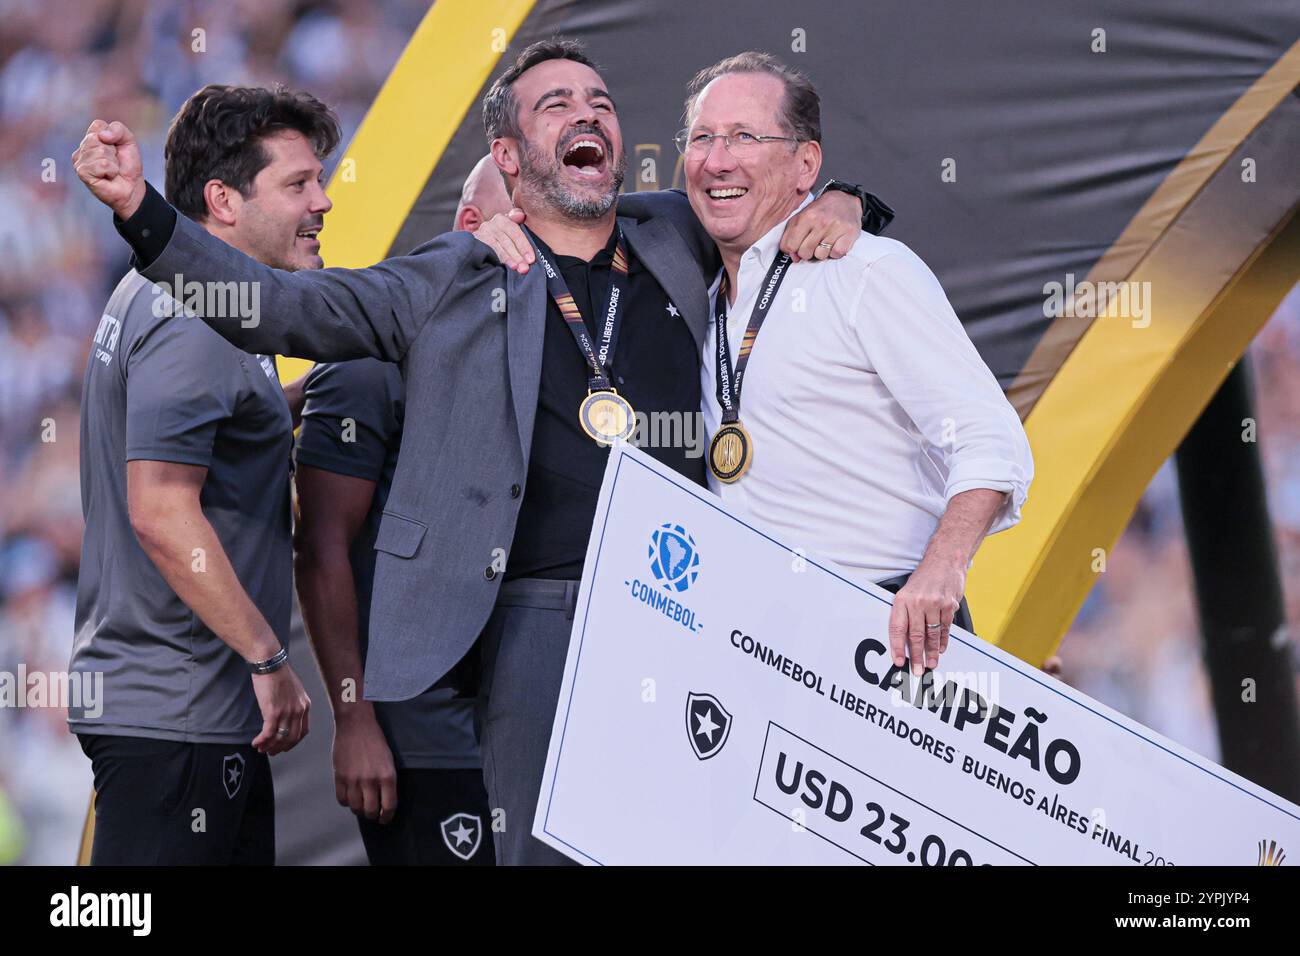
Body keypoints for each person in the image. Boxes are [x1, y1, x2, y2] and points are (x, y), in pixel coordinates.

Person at [71, 38, 872, 864]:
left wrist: (845, 200)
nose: (586, 113)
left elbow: (770, 192)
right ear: (509, 156)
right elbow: (282, 308)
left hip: (691, 604)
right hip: (538, 619)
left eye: (599, 101)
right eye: (555, 105)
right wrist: (142, 212)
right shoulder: (454, 274)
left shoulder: (675, 229)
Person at [680, 53, 1033, 676]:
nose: (717, 160)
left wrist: (942, 570)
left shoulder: (867, 271)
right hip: (759, 645)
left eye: (744, 136)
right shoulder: (693, 293)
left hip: (895, 633)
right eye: (702, 138)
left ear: (806, 164)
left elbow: (991, 439)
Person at [67, 85, 334, 864]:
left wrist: (309, 395)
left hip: (170, 712)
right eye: (298, 185)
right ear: (222, 200)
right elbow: (160, 510)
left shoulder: (195, 295)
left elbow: (221, 422)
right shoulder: (198, 317)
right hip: (180, 718)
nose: (323, 201)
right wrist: (268, 657)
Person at [291, 158, 510, 866]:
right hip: (420, 739)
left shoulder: (541, 347)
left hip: (515, 727)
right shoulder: (371, 349)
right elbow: (320, 545)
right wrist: (353, 718)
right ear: (474, 226)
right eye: (533, 222)